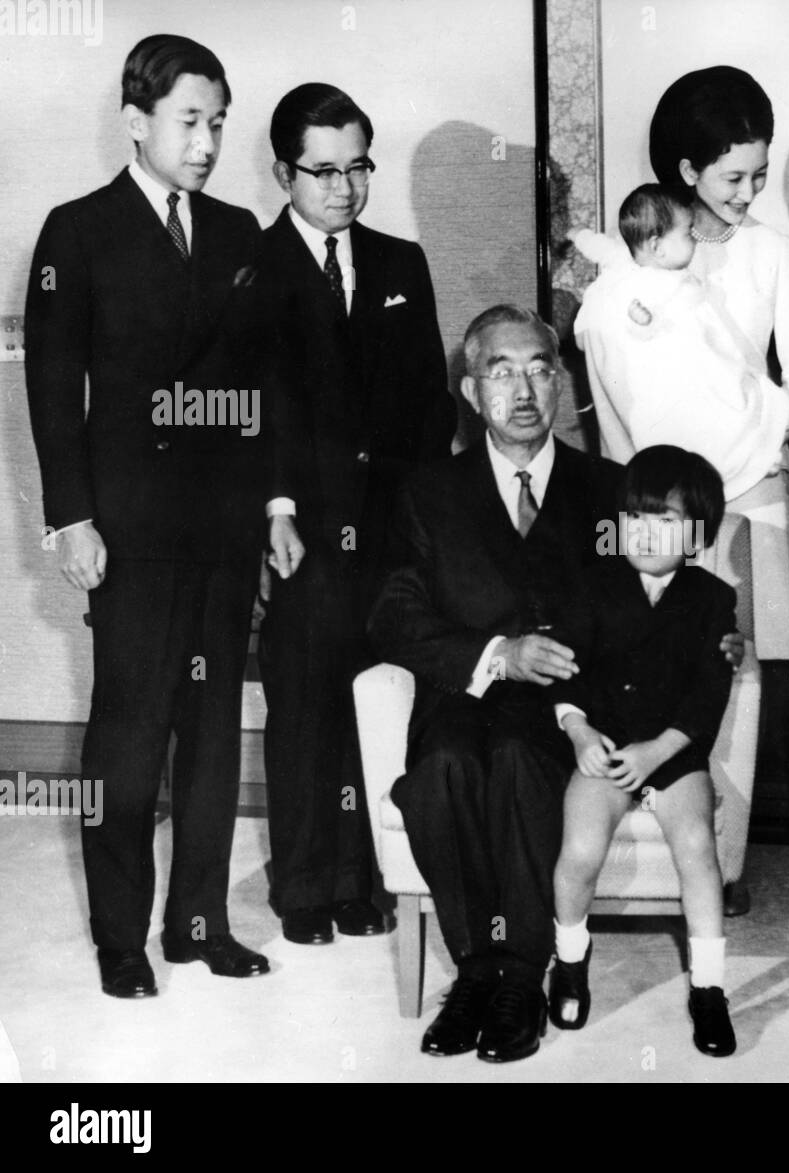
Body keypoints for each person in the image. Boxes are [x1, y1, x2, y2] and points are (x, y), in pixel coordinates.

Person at [367, 306, 742, 1064]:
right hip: (466, 686)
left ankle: (520, 974)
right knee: (439, 773)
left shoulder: (610, 489)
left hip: (576, 707)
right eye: (500, 371)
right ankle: (477, 969)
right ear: (472, 391)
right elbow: (391, 614)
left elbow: (668, 593)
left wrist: (720, 639)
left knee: (518, 761)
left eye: (539, 367)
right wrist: (497, 652)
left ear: (561, 380)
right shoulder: (428, 491)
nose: (523, 387)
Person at [24, 34, 270, 997]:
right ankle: (120, 937)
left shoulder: (242, 232)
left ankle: (197, 925)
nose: (207, 143)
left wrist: (271, 507)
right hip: (125, 531)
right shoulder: (76, 232)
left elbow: (258, 387)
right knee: (127, 739)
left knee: (212, 732)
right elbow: (52, 389)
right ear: (137, 122)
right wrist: (70, 519)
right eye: (189, 123)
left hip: (222, 528)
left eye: (218, 123)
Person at [254, 83, 455, 947]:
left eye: (358, 166)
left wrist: (425, 518)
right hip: (300, 525)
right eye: (323, 170)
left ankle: (364, 878)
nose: (343, 187)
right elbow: (253, 407)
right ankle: (302, 884)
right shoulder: (251, 268)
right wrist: (276, 509)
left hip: (389, 526)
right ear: (283, 172)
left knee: (383, 698)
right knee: (304, 702)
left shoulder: (401, 262)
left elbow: (431, 405)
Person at [548, 446, 738, 1057]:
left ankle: (708, 987)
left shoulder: (713, 601)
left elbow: (708, 695)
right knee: (579, 848)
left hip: (673, 749)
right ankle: (570, 958)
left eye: (664, 520)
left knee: (697, 849)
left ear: (698, 535)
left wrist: (659, 752)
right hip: (603, 745)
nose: (644, 532)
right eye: (634, 517)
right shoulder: (591, 582)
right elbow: (567, 672)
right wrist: (579, 732)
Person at [648, 65, 789, 662]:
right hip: (670, 487)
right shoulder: (643, 255)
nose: (748, 194)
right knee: (674, 650)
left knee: (764, 645)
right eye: (733, 178)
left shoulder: (774, 251)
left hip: (755, 478)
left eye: (760, 176)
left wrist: (772, 422)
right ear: (688, 171)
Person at [573, 183, 789, 504]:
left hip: (718, 374)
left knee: (734, 395)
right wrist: (643, 319)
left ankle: (778, 426)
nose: (747, 191)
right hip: (671, 403)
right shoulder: (633, 280)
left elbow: (602, 250)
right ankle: (757, 446)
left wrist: (580, 237)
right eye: (687, 233)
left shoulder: (771, 246)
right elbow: (626, 322)